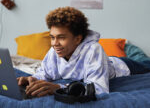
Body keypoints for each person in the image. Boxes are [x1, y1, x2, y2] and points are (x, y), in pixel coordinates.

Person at [17, 6, 150, 98]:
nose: (54, 43)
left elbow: (100, 89)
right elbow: (45, 73)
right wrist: (33, 79)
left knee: (145, 62)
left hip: (124, 66)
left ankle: (127, 47)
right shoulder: (55, 51)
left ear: (77, 39)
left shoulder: (93, 49)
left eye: (61, 37)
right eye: (52, 37)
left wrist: (59, 88)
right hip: (105, 62)